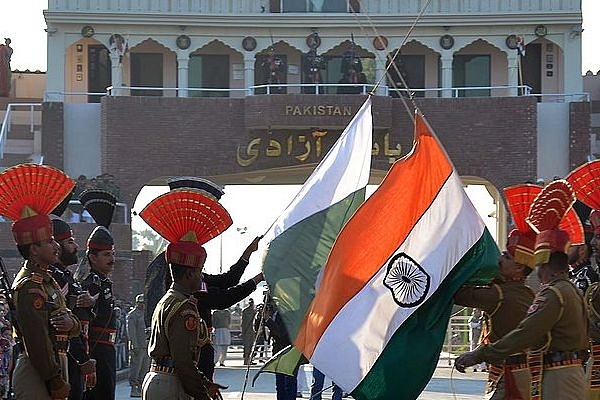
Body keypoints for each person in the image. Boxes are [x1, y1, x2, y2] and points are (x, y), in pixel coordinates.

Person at [455, 180, 589, 400]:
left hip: (558, 377)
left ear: (543, 259)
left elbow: (526, 332)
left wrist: (480, 354)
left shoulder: (553, 294)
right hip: (565, 372)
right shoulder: (568, 289)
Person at [0, 163, 81, 400]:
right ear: (33, 249)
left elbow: (69, 321)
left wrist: (71, 324)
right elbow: (36, 341)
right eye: (49, 242)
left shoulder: (47, 280)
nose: (56, 246)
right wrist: (54, 380)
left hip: (55, 365)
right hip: (39, 372)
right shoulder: (29, 286)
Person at [139, 188, 227, 399]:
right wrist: (202, 393)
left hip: (160, 378)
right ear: (189, 273)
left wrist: (206, 383)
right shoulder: (184, 308)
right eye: (199, 272)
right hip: (171, 383)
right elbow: (183, 361)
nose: (201, 277)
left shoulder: (169, 299)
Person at [454, 183, 537, 398]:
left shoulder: (500, 294)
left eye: (506, 257)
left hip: (509, 373)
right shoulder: (526, 293)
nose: (499, 260)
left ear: (519, 267)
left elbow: (459, 294)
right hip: (521, 371)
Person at [49, 212, 96, 400]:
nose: (76, 247)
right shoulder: (56, 279)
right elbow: (61, 323)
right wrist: (82, 359)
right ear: (56, 247)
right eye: (69, 242)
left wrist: (91, 303)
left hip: (75, 354)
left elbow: (83, 318)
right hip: (65, 356)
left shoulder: (67, 277)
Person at [79, 189, 119, 400]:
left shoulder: (103, 282)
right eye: (106, 255)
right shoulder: (92, 284)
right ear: (92, 258)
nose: (112, 259)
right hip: (98, 350)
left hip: (108, 350)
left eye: (112, 254)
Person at [263, 301, 297, 400]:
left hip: (289, 352)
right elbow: (258, 330)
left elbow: (281, 333)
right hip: (277, 353)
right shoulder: (272, 315)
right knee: (280, 383)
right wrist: (260, 318)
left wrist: (268, 320)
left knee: (289, 382)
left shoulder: (288, 314)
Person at [127, 294, 149, 398]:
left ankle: (141, 387)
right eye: (141, 303)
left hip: (146, 345)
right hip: (138, 345)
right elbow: (131, 332)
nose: (143, 305)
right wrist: (134, 345)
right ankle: (133, 388)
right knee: (135, 368)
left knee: (144, 368)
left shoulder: (146, 314)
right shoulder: (133, 315)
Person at [241, 299, 256, 365]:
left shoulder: (252, 311)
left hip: (249, 331)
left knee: (249, 346)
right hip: (249, 331)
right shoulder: (252, 311)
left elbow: (243, 323)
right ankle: (247, 360)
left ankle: (248, 360)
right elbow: (243, 322)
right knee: (248, 346)